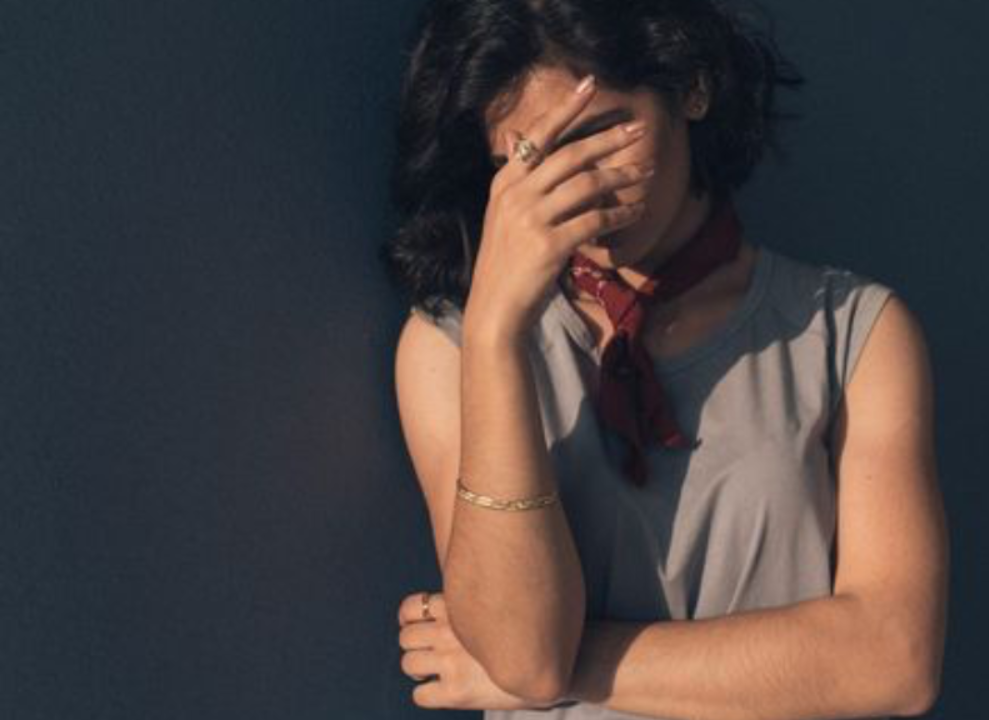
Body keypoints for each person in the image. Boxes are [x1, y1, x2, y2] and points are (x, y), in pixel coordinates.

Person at [384, 1, 949, 718]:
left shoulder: (851, 333)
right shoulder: (451, 348)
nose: (572, 192)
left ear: (691, 86)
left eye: (594, 137)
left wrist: (569, 665)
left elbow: (894, 662)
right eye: (525, 165)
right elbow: (527, 655)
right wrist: (497, 333)